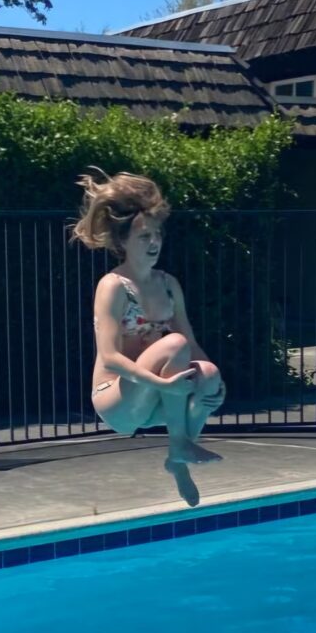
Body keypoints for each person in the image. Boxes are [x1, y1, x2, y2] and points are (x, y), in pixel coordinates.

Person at [71, 169, 225, 506]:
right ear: (123, 241)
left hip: (155, 399)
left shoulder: (168, 284)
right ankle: (179, 444)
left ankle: (178, 459)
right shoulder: (113, 286)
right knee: (173, 345)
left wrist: (213, 381)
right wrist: (164, 385)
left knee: (208, 374)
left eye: (157, 235)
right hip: (118, 401)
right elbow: (110, 357)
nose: (154, 242)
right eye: (144, 237)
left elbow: (192, 341)